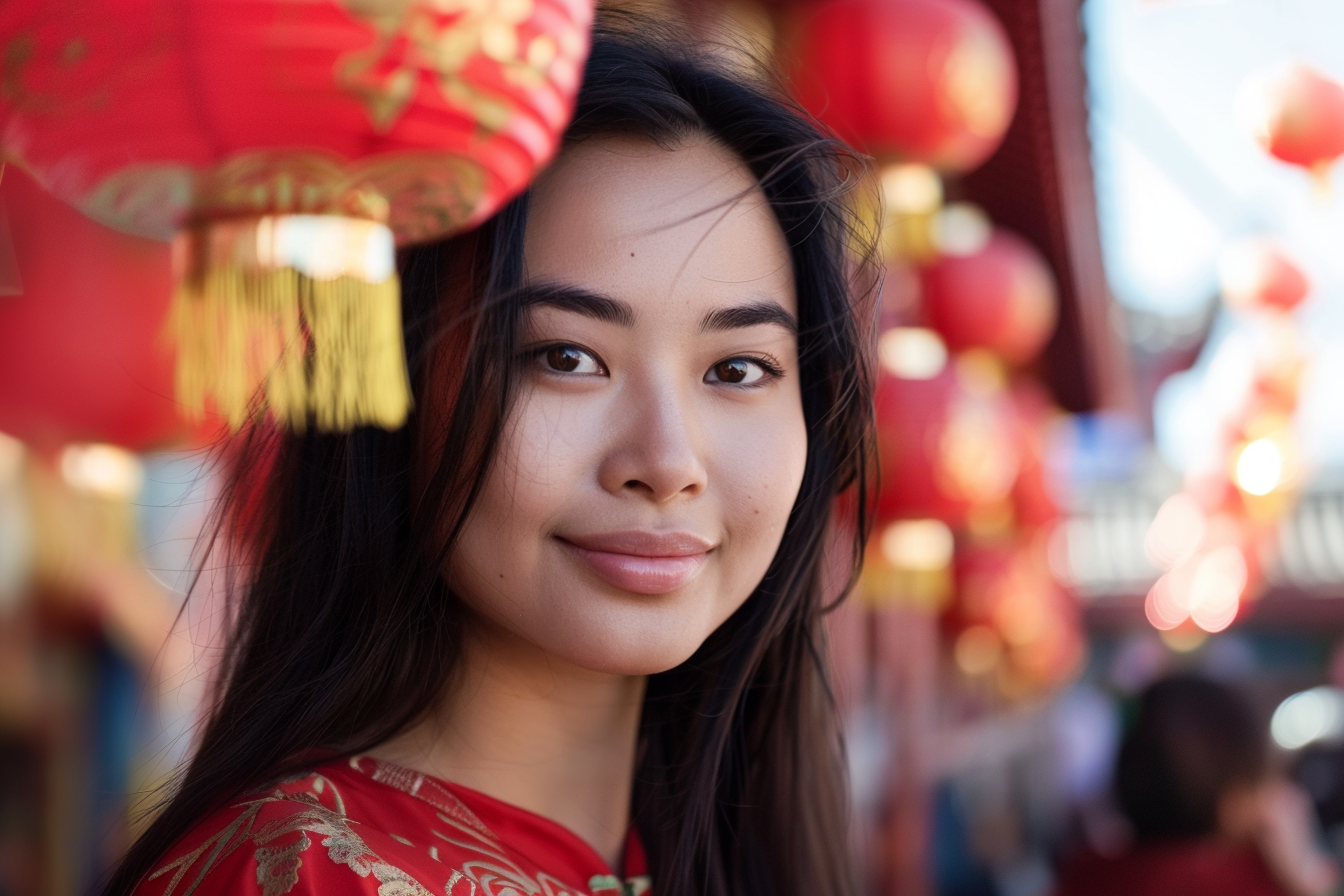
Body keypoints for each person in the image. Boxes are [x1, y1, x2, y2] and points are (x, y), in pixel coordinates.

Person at [103, 14, 876, 896]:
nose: (666, 462)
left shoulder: (715, 854)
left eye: (739, 369)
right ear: (399, 388)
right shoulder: (299, 874)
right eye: (566, 358)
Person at [1054, 675, 1340, 896]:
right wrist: (1305, 876)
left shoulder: (1081, 876)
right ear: (1235, 803)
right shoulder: (1254, 884)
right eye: (1264, 781)